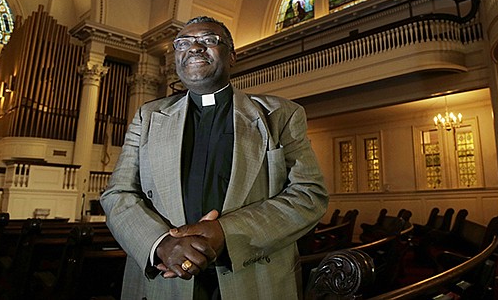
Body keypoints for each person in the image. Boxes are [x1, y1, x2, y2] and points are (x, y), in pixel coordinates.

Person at [100, 16, 329, 300]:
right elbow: (117, 193)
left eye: (209, 40)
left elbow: (310, 195)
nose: (195, 48)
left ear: (232, 57)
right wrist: (161, 244)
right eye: (183, 43)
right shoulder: (147, 117)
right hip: (163, 279)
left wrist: (226, 233)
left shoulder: (281, 115)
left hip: (254, 279)